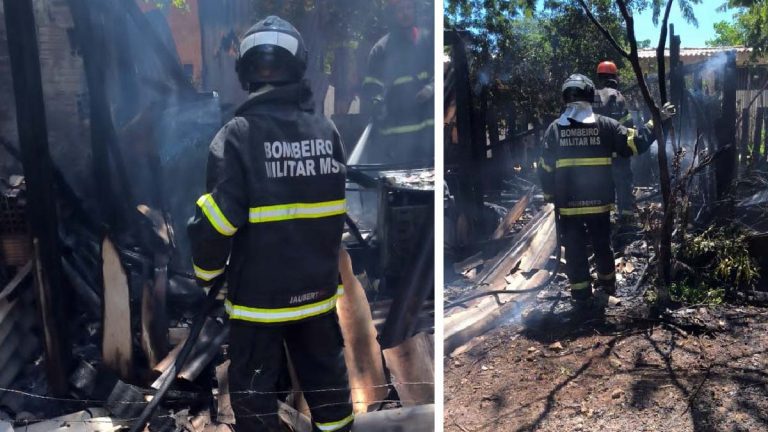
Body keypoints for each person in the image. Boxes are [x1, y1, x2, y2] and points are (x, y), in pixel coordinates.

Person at [187, 16, 353, 432]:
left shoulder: (236, 136)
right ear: (298, 68)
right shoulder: (327, 131)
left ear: (245, 72)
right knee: (332, 403)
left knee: (257, 407)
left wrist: (207, 274)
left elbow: (217, 222)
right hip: (317, 298)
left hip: (257, 305)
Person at [539, 74, 675, 304]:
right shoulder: (605, 125)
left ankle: (581, 296)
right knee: (602, 245)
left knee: (574, 249)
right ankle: (608, 288)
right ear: (591, 96)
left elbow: (545, 168)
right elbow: (636, 142)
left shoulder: (554, 129)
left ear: (565, 97)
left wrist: (551, 195)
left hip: (568, 206)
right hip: (599, 202)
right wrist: (657, 120)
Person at [361, 0, 434, 164]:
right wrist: (376, 102)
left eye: (409, 8)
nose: (405, 13)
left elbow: (439, 75)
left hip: (426, 141)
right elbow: (371, 85)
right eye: (400, 9)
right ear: (392, 13)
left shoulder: (427, 42)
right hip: (395, 144)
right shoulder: (381, 49)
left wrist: (431, 88)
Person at [592, 60, 636, 237]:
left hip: (596, 153)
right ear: (614, 77)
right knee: (623, 184)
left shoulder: (593, 95)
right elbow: (626, 125)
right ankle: (625, 220)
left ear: (600, 78)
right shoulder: (617, 96)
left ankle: (601, 219)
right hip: (616, 153)